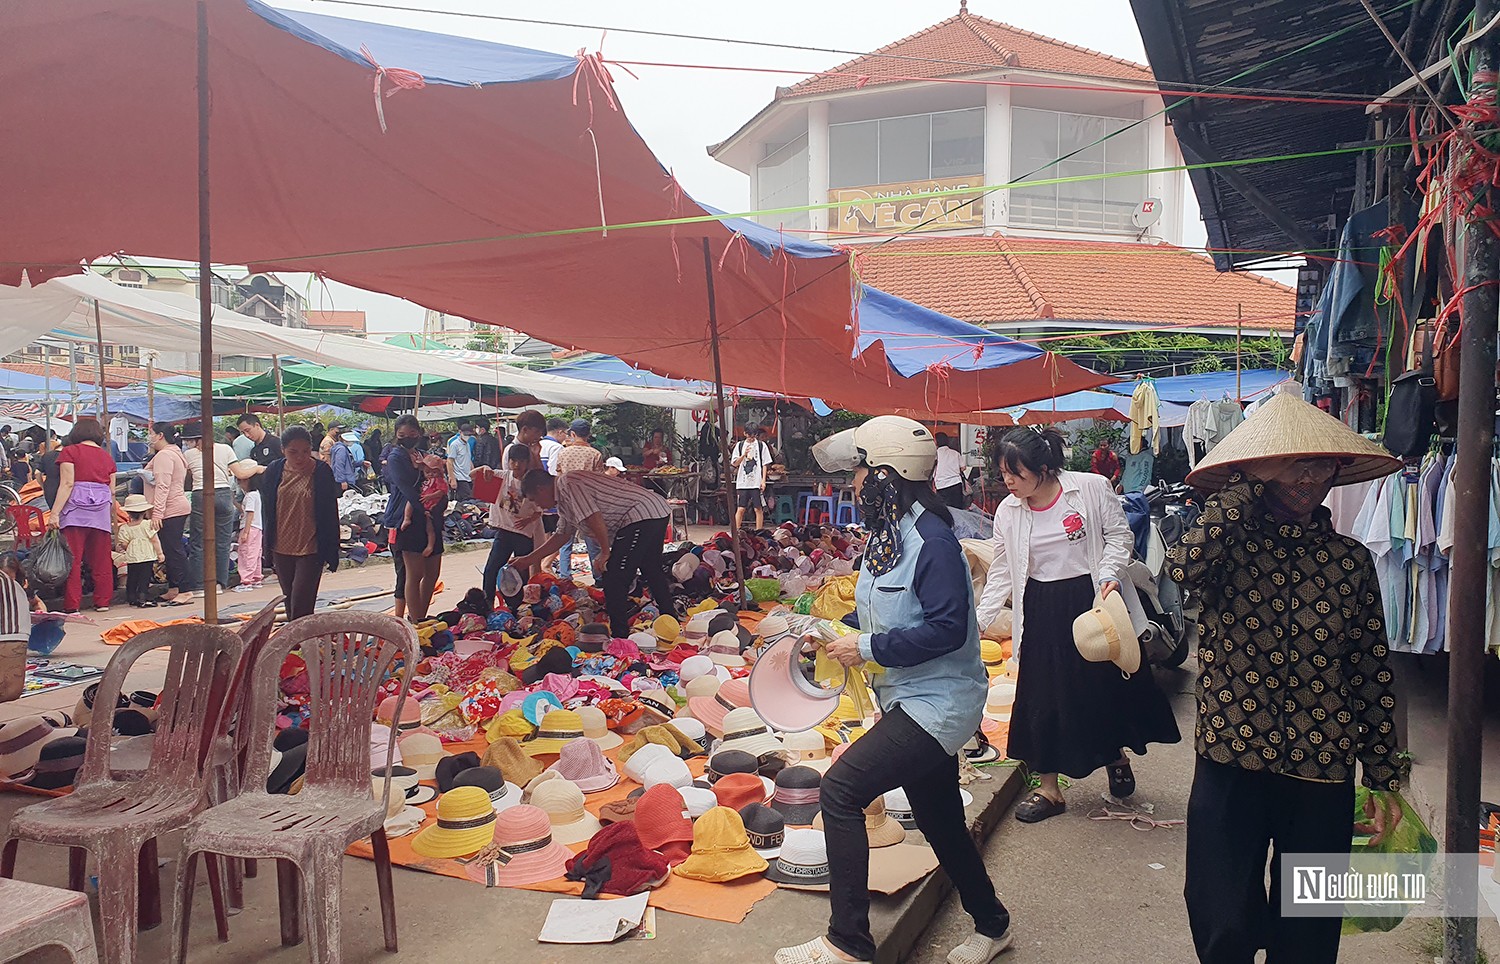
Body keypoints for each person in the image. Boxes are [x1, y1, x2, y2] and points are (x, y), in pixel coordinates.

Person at [1165, 394, 1402, 964]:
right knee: (1221, 921)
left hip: (1321, 769)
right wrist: (1248, 483)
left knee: (1309, 936)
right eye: (1292, 464)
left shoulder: (1351, 561)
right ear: (1261, 472)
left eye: (1321, 465)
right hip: (1231, 760)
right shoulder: (1228, 548)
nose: (1309, 479)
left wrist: (1386, 775)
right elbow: (1180, 569)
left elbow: (1370, 668)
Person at [780, 415, 1010, 964]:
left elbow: (950, 627)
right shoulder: (890, 537)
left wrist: (866, 649)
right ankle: (993, 924)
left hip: (939, 704)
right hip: (907, 698)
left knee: (839, 791)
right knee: (939, 822)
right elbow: (888, 621)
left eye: (860, 470)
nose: (853, 483)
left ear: (884, 475)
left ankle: (849, 943)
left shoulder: (931, 540)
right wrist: (842, 639)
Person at [975, 427, 1179, 823]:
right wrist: (981, 621)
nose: (1009, 482)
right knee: (1042, 696)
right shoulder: (1008, 510)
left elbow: (1119, 537)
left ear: (1044, 468)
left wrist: (1109, 574)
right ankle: (1049, 790)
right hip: (1040, 607)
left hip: (1091, 602)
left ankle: (1114, 756)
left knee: (1099, 688)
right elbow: (1001, 571)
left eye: (1016, 473)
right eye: (1004, 474)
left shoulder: (1090, 488)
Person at [514, 469, 673, 638]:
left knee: (614, 576)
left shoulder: (568, 483)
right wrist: (528, 559)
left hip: (641, 514)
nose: (538, 506)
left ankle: (620, 636)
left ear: (541, 489)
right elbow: (562, 535)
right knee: (651, 569)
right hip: (654, 510)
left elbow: (594, 517)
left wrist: (605, 552)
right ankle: (670, 621)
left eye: (534, 500)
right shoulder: (563, 499)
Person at [259, 427, 341, 620]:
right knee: (289, 598)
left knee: (302, 599)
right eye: (293, 452)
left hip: (310, 545)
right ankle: (297, 644)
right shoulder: (274, 471)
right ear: (282, 451)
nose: (300, 457)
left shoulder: (321, 472)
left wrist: (332, 548)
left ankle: (300, 641)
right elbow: (267, 511)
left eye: (305, 451)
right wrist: (267, 547)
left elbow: (330, 512)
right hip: (281, 545)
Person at [50, 417, 118, 614]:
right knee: (102, 558)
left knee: (73, 559)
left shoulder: (69, 452)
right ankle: (103, 601)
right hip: (100, 511)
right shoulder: (107, 457)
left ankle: (72, 605)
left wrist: (55, 513)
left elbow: (67, 483)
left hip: (75, 512)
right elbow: (111, 490)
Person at [385, 416, 446, 621]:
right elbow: (406, 486)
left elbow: (439, 480)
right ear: (396, 435)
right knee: (414, 573)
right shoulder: (396, 457)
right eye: (402, 435)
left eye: (412, 435)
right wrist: (422, 509)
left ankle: (421, 615)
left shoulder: (422, 455)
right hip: (409, 517)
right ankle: (416, 619)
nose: (408, 439)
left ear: (419, 434)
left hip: (432, 516)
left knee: (432, 573)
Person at [475, 443, 543, 611]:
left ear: (527, 462)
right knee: (491, 568)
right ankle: (488, 604)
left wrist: (527, 521)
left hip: (523, 534)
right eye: (513, 461)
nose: (517, 465)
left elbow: (539, 511)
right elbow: (472, 476)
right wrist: (484, 469)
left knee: (520, 572)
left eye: (521, 461)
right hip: (504, 531)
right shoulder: (502, 477)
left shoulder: (531, 483)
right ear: (509, 461)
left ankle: (521, 605)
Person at [181, 422, 237, 592]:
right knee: (222, 542)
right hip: (224, 494)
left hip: (201, 494)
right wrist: (258, 468)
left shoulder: (188, 455)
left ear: (195, 440)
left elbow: (185, 477)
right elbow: (239, 473)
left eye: (188, 440)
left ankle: (199, 586)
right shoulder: (226, 449)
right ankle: (219, 584)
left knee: (198, 542)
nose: (187, 443)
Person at [144, 422, 193, 604]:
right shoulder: (174, 453)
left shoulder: (165, 455)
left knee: (174, 550)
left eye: (151, 433)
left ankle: (185, 589)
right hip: (174, 506)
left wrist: (157, 513)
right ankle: (174, 587)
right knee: (171, 548)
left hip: (170, 508)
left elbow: (162, 485)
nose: (149, 437)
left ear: (160, 435)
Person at [553, 418, 606, 579]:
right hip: (588, 505)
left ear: (573, 434)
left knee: (565, 541)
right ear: (589, 435)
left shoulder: (564, 453)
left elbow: (559, 477)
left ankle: (565, 576)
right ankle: (598, 577)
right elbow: (599, 481)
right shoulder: (595, 454)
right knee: (592, 543)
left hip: (568, 503)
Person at [115, 494, 164, 608]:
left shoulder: (124, 528)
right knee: (144, 577)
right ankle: (143, 597)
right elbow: (155, 540)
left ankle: (131, 597)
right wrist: (160, 553)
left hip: (132, 557)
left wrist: (130, 549)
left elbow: (123, 543)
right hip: (147, 556)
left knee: (132, 577)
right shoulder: (147, 525)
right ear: (144, 512)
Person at [731, 424, 771, 531]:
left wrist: (763, 481)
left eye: (753, 435)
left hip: (756, 483)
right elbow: (735, 463)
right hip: (742, 482)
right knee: (741, 508)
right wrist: (744, 455)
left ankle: (759, 530)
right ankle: (736, 530)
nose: (751, 438)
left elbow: (765, 464)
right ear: (745, 434)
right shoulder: (739, 445)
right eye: (749, 435)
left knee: (758, 508)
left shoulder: (761, 445)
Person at [234, 470, 264, 592]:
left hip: (249, 527)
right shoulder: (255, 494)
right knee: (255, 553)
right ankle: (256, 578)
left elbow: (249, 513)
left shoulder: (250, 495)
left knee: (247, 553)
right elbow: (245, 510)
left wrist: (245, 531)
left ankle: (246, 580)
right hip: (257, 527)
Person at [933, 432, 966, 509]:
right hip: (956, 483)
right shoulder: (955, 453)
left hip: (941, 485)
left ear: (936, 442)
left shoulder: (935, 454)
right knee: (958, 509)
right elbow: (963, 467)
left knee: (945, 509)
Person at [446, 420, 475, 501]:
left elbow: (468, 460)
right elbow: (449, 461)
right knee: (467, 500)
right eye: (465, 434)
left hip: (468, 476)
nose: (467, 436)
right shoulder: (454, 444)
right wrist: (452, 478)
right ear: (460, 432)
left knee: (471, 499)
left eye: (469, 435)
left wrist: (473, 473)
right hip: (459, 477)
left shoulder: (467, 444)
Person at [328, 424, 359, 493]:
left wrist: (361, 463)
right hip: (345, 482)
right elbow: (339, 465)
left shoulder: (341, 448)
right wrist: (342, 481)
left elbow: (349, 464)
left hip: (346, 480)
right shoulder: (341, 449)